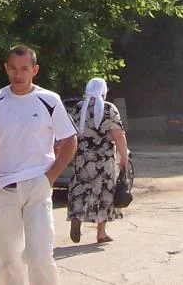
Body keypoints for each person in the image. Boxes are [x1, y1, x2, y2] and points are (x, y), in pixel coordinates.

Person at [0, 45, 78, 285]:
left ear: (35, 70)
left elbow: (70, 140)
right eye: (12, 68)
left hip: (37, 186)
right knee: (10, 260)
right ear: (6, 68)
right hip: (3, 189)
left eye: (24, 69)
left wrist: (50, 177)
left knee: (40, 256)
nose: (18, 74)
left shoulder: (49, 100)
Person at [67, 77, 129, 245]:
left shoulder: (78, 108)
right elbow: (118, 135)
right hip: (104, 159)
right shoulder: (108, 109)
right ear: (103, 91)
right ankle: (101, 234)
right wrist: (124, 157)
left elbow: (70, 133)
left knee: (80, 189)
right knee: (103, 193)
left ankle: (77, 217)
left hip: (82, 157)